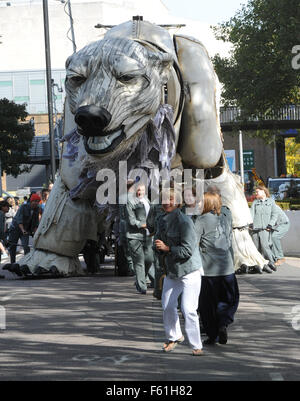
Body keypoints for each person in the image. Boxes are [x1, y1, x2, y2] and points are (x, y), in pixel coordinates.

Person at [154, 187, 204, 356]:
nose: (166, 202)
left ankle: (196, 345)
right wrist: (160, 249)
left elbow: (188, 250)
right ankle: (174, 337)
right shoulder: (161, 219)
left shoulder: (184, 221)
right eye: (163, 199)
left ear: (176, 202)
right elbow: (157, 242)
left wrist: (167, 248)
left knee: (188, 308)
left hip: (189, 270)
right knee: (167, 305)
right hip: (172, 270)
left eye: (170, 199)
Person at [194, 192, 239, 345]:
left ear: (207, 204)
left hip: (208, 270)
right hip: (226, 268)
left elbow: (194, 243)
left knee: (207, 305)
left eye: (201, 202)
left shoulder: (201, 220)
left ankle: (212, 334)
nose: (199, 204)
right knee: (229, 299)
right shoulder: (225, 218)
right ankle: (223, 322)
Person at [126, 183, 153, 294]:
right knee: (139, 261)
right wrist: (145, 225)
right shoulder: (130, 202)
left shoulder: (147, 200)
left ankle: (142, 277)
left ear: (145, 190)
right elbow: (132, 221)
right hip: (134, 236)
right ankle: (142, 286)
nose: (139, 192)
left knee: (149, 259)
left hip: (148, 235)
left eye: (142, 190)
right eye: (138, 190)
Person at [249, 185, 278, 273]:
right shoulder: (255, 202)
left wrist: (270, 225)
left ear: (263, 191)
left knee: (265, 246)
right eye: (256, 192)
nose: (256, 193)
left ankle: (271, 263)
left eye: (257, 191)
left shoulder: (271, 202)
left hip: (265, 228)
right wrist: (251, 223)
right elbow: (251, 214)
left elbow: (274, 215)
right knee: (256, 247)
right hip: (255, 229)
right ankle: (257, 265)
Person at [7, 193, 41, 264]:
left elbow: (35, 222)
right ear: (31, 201)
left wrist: (35, 233)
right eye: (35, 201)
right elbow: (19, 220)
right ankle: (12, 263)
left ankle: (27, 263)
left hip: (25, 229)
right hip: (15, 228)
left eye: (37, 201)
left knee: (26, 246)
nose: (36, 203)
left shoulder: (37, 209)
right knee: (13, 246)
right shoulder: (23, 207)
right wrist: (23, 230)